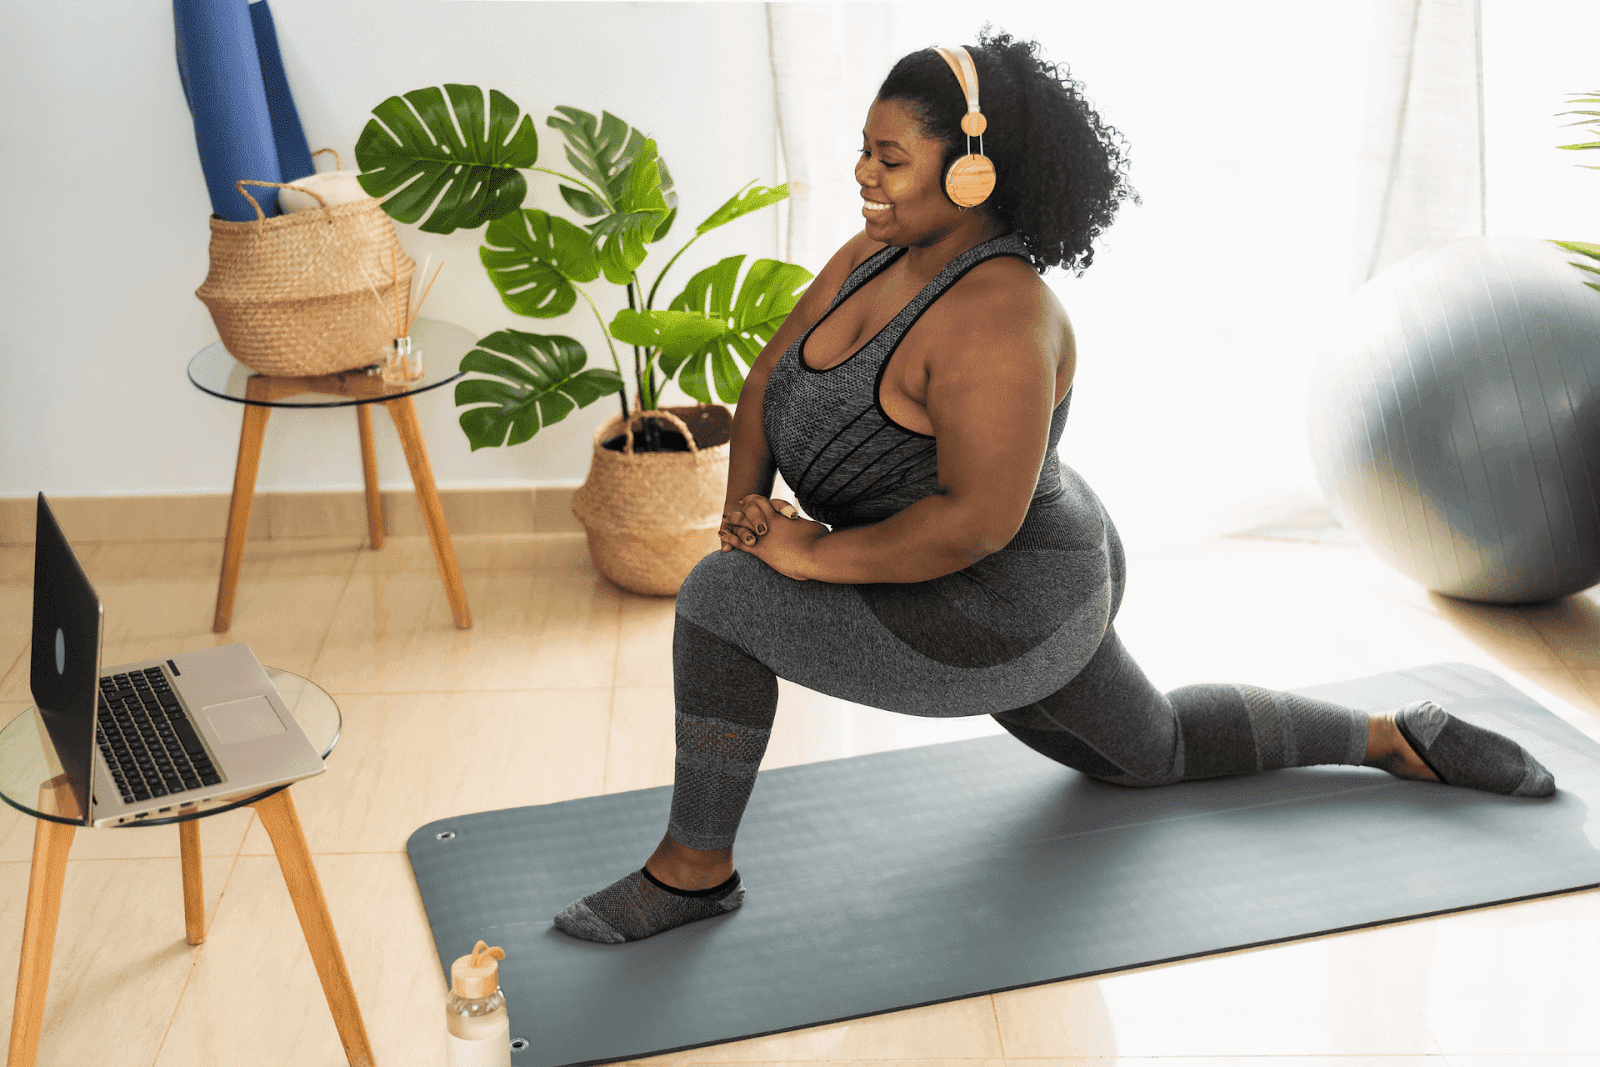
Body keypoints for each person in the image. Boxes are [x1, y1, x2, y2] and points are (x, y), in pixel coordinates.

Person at [553, 30, 1556, 945]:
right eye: (864, 147)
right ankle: (1394, 736)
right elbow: (769, 375)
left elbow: (974, 523)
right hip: (969, 565)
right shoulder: (871, 253)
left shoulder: (999, 317)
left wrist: (803, 551)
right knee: (1148, 749)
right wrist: (747, 510)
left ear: (974, 167)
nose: (861, 173)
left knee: (720, 601)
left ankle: (694, 871)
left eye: (889, 157)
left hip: (1005, 598)